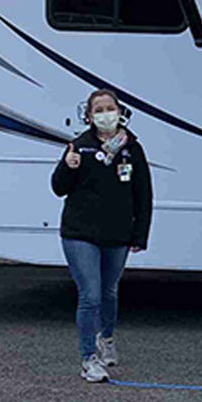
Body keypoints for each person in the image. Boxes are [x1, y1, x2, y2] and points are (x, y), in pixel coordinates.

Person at [51, 89, 152, 383]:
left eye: (110, 108)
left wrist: (140, 234)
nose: (105, 114)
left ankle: (106, 337)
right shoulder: (79, 147)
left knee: (109, 292)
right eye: (99, 110)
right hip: (79, 232)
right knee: (90, 294)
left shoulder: (132, 148)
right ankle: (88, 359)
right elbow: (58, 187)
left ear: (120, 112)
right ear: (89, 115)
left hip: (118, 233)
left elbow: (143, 194)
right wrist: (66, 167)